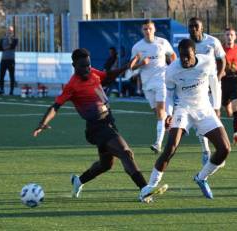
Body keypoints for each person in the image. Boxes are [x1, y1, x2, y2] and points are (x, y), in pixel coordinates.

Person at [32, 48, 167, 203]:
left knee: (106, 164)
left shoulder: (93, 73)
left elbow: (108, 76)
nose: (87, 69)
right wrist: (43, 122)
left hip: (109, 122)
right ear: (74, 65)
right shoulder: (72, 85)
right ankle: (144, 189)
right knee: (125, 152)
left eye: (88, 65)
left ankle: (79, 181)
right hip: (96, 128)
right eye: (83, 66)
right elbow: (56, 106)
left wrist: (126, 66)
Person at [141, 39, 231, 200]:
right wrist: (168, 113)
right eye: (181, 56)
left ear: (194, 53)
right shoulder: (172, 70)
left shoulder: (207, 62)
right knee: (170, 148)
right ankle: (149, 187)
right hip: (183, 109)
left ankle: (201, 178)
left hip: (204, 109)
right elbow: (168, 95)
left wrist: (216, 107)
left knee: (225, 149)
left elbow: (215, 84)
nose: (184, 59)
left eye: (187, 56)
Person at [131, 19, 176, 154]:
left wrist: (173, 68)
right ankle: (170, 120)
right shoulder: (137, 47)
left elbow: (172, 55)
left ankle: (158, 144)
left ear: (154, 29)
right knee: (158, 114)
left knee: (161, 112)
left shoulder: (162, 43)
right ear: (142, 31)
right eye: (145, 29)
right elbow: (131, 67)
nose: (148, 31)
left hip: (162, 81)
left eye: (150, 28)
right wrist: (141, 63)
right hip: (147, 84)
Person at [188, 17, 226, 165]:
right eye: (191, 26)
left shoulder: (213, 42)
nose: (193, 29)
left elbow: (222, 60)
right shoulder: (187, 44)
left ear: (201, 27)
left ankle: (219, 150)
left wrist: (217, 78)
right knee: (200, 119)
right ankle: (206, 151)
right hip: (197, 88)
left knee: (215, 117)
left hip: (214, 86)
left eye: (196, 26)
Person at [0, 26, 18, 96]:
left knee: (12, 76)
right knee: (1, 75)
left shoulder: (15, 38)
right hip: (3, 59)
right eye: (8, 30)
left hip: (11, 59)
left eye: (10, 31)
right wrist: (6, 47)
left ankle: (11, 91)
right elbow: (0, 48)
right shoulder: (2, 38)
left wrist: (7, 45)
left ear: (12, 31)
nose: (9, 32)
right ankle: (1, 90)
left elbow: (12, 46)